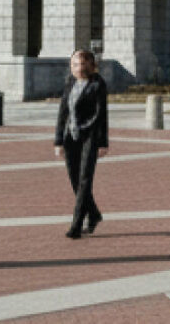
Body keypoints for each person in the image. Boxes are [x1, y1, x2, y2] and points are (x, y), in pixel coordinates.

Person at [53, 49, 108, 239]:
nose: (78, 68)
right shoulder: (70, 82)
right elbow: (63, 112)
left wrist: (103, 142)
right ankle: (94, 213)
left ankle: (76, 225)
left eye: (82, 64)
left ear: (91, 65)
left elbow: (101, 115)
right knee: (75, 180)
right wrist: (58, 140)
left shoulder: (98, 84)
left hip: (89, 137)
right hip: (70, 138)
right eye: (75, 64)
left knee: (85, 180)